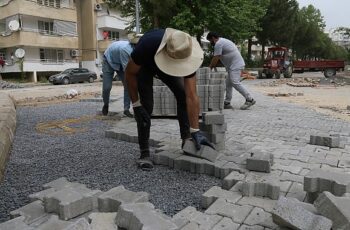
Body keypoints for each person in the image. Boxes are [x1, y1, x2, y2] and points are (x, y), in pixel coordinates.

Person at [125, 28, 214, 170]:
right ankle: (144, 153)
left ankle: (187, 139)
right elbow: (129, 74)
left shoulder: (185, 50)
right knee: (146, 106)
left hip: (170, 60)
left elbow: (191, 96)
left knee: (182, 94)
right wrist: (136, 104)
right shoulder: (146, 45)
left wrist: (195, 130)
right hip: (146, 64)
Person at [207, 32, 256, 110]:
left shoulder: (219, 43)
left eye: (210, 41)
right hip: (233, 66)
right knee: (228, 84)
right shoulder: (223, 41)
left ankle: (249, 99)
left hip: (236, 65)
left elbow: (216, 57)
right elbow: (220, 57)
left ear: (213, 38)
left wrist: (209, 69)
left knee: (234, 82)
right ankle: (227, 102)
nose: (211, 43)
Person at [101, 34, 142, 117]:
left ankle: (126, 109)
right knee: (107, 87)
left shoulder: (139, 50)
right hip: (108, 61)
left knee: (127, 85)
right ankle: (106, 104)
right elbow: (127, 70)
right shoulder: (126, 50)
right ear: (135, 44)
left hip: (119, 63)